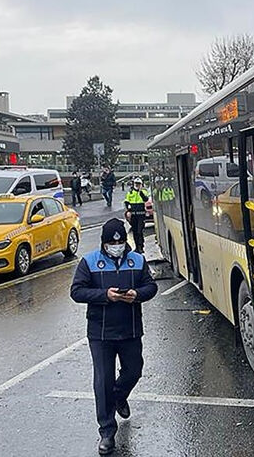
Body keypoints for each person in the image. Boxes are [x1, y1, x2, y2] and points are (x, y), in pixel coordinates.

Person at [70, 219, 158, 454]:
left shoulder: (137, 260)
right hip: (101, 333)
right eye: (112, 243)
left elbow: (151, 286)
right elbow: (77, 291)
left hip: (130, 330)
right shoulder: (89, 262)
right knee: (103, 381)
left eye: (119, 243)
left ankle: (119, 396)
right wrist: (104, 295)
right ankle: (107, 431)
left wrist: (137, 294)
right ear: (104, 243)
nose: (116, 246)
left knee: (134, 370)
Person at [124, 177, 150, 254]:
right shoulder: (130, 192)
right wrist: (128, 211)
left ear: (141, 184)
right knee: (135, 232)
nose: (137, 185)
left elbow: (145, 199)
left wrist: (140, 192)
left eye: (139, 184)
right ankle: (137, 247)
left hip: (141, 215)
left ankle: (141, 247)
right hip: (133, 216)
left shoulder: (144, 191)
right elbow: (127, 202)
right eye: (136, 183)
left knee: (139, 231)